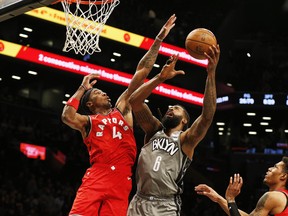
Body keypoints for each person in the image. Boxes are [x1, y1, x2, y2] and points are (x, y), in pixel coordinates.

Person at [61, 14, 177, 216]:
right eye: (98, 92)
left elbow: (141, 71)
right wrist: (82, 88)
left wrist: (158, 40)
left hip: (123, 178)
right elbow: (67, 116)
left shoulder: (122, 109)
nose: (104, 93)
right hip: (98, 174)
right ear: (89, 104)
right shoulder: (88, 122)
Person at [126, 41, 220, 215]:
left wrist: (211, 73)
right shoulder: (153, 130)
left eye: (176, 108)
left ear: (184, 120)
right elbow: (134, 101)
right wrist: (160, 78)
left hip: (165, 205)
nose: (170, 108)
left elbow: (207, 116)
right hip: (138, 200)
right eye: (170, 107)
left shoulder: (186, 140)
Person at [195, 156, 288, 216]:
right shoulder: (282, 197)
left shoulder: (273, 197)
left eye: (275, 167)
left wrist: (231, 198)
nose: (269, 168)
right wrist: (218, 198)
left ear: (283, 176)